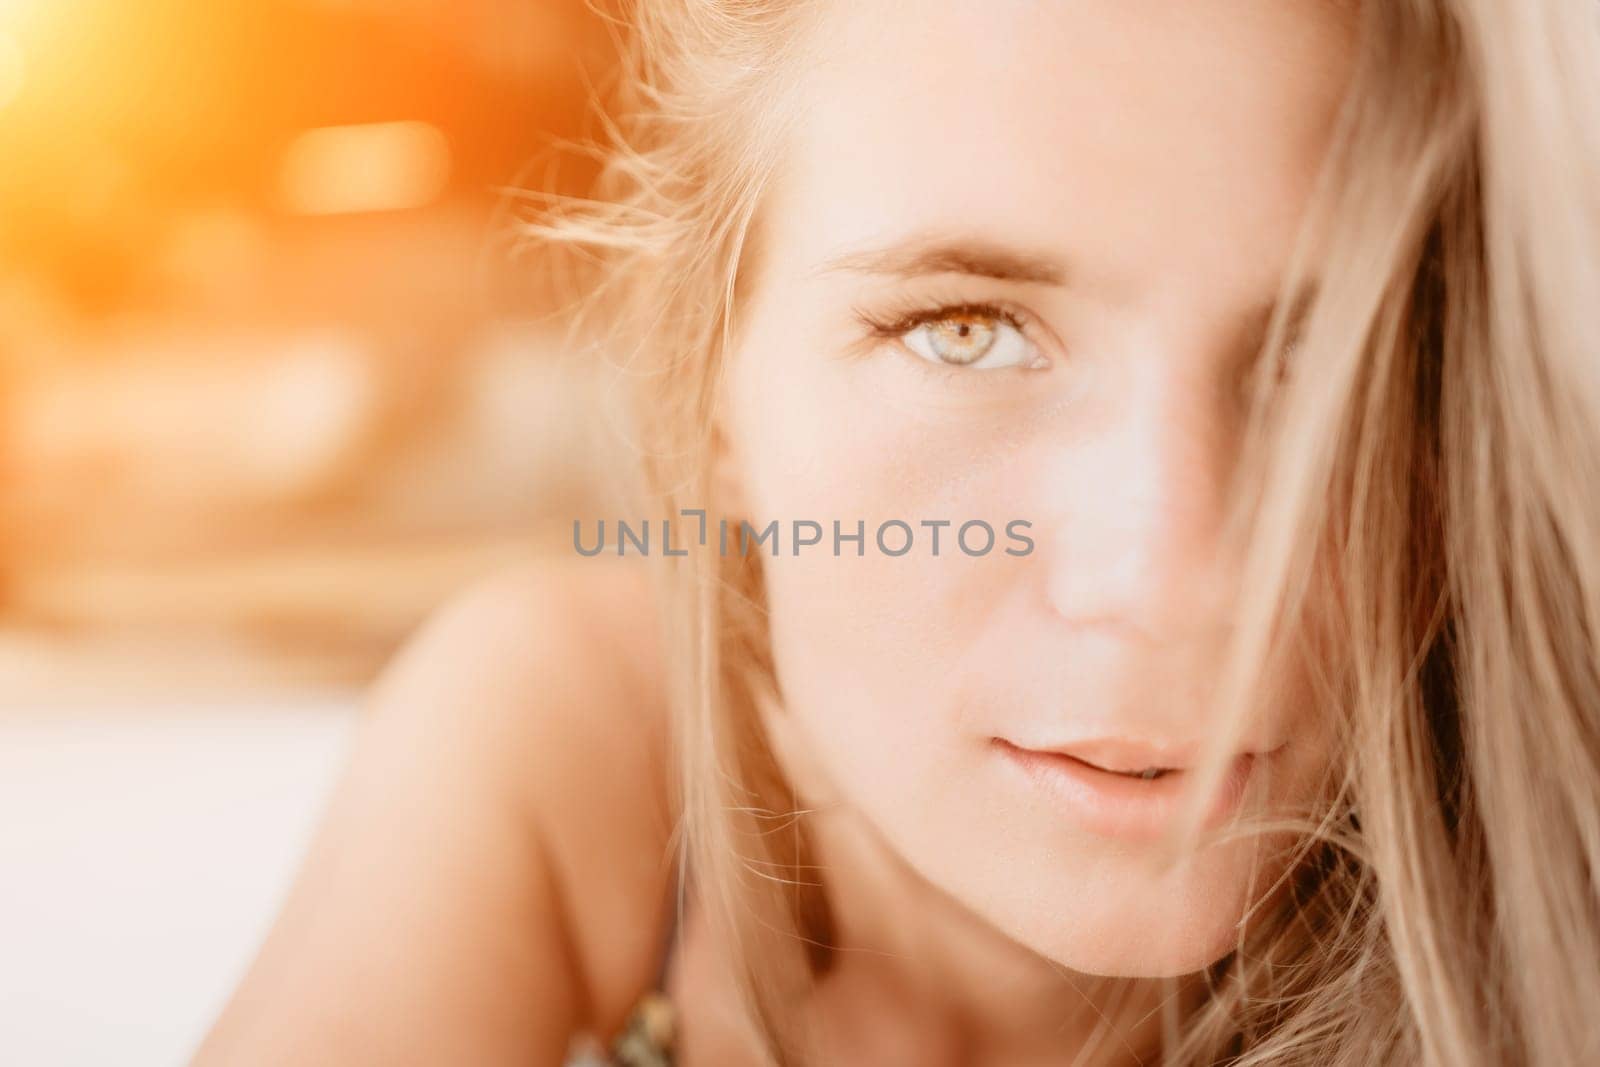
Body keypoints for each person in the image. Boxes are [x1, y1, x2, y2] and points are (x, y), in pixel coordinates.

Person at [193, 1, 1600, 1063]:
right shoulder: (587, 747)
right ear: (711, 396)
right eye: (966, 332)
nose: (1172, 584)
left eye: (1334, 357)